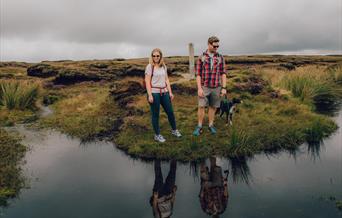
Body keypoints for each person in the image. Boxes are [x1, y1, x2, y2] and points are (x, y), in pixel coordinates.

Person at [145, 48, 182, 142]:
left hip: (164, 92)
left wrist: (170, 92)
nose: (155, 57)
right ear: (151, 56)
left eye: (157, 56)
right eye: (154, 56)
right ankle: (157, 135)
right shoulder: (150, 67)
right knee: (155, 114)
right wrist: (150, 95)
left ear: (160, 56)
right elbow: (147, 81)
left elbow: (166, 80)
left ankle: (174, 130)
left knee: (170, 112)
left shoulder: (163, 66)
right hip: (154, 93)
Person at [193, 36, 227, 136]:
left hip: (217, 87)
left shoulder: (220, 57)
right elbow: (198, 74)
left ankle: (210, 125)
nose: (217, 47)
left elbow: (223, 73)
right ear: (209, 44)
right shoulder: (201, 57)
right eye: (214, 45)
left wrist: (224, 88)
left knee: (213, 107)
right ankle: (199, 126)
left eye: (218, 46)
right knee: (201, 106)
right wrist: (199, 88)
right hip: (205, 86)